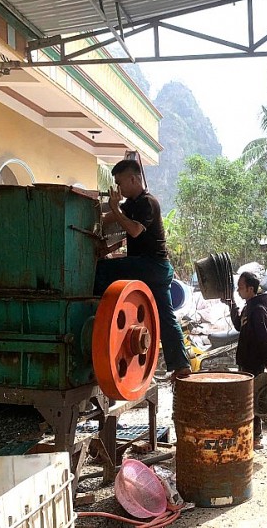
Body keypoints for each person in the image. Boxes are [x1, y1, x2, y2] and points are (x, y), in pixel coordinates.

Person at [94, 159, 191, 380]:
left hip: (151, 266)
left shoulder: (148, 203)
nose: (118, 189)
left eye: (120, 183)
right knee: (166, 317)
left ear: (133, 179)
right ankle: (181, 366)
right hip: (153, 269)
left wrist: (116, 209)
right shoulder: (131, 204)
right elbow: (108, 220)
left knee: (99, 272)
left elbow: (135, 230)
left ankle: (99, 318)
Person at [226, 271, 267, 451]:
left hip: (255, 362)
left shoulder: (259, 310)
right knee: (246, 399)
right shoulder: (249, 306)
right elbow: (239, 325)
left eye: (240, 288)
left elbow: (264, 338)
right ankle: (248, 434)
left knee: (253, 399)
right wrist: (232, 306)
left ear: (250, 289)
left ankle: (256, 436)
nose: (238, 291)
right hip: (245, 361)